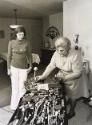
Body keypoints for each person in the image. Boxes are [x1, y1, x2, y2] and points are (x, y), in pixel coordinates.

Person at [37, 36, 83, 118]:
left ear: (68, 48)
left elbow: (78, 73)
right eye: (57, 50)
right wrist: (44, 75)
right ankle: (66, 101)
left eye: (62, 50)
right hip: (62, 73)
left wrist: (64, 78)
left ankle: (72, 111)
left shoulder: (75, 55)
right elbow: (51, 65)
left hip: (73, 76)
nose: (59, 52)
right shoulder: (56, 53)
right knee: (61, 91)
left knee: (73, 96)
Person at [7, 26, 32, 110]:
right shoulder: (11, 43)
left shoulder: (27, 42)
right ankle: (14, 106)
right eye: (19, 34)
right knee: (15, 87)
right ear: (16, 34)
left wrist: (31, 66)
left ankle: (22, 105)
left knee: (22, 87)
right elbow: (9, 56)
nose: (21, 36)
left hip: (24, 68)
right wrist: (8, 68)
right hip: (13, 67)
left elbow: (29, 55)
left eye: (22, 34)